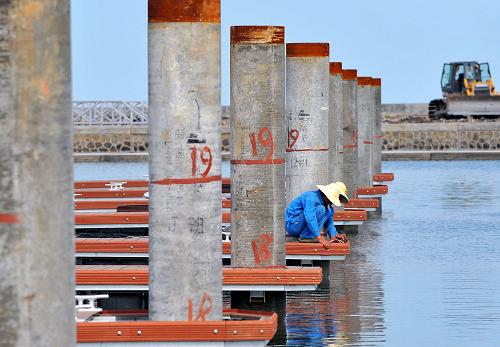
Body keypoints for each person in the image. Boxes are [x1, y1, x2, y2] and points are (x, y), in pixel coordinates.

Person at [286, 182, 349, 249]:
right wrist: (319, 238)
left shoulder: (328, 206)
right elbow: (310, 218)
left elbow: (329, 221)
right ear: (327, 195)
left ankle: (308, 235)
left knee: (329, 210)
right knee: (321, 209)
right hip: (292, 225)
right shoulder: (312, 197)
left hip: (300, 226)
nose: (332, 202)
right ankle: (306, 237)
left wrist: (334, 235)